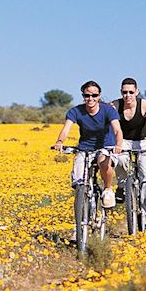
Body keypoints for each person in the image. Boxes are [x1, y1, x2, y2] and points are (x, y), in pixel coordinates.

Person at [53, 80, 123, 208]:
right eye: (87, 95)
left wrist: (118, 145)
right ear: (83, 96)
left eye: (94, 95)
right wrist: (60, 142)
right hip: (85, 148)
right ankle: (83, 201)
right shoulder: (76, 111)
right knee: (78, 178)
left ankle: (108, 189)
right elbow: (66, 129)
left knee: (103, 161)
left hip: (106, 146)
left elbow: (117, 130)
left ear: (99, 96)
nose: (91, 98)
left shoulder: (108, 110)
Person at [110, 78, 146, 229]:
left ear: (137, 92)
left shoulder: (144, 105)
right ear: (121, 92)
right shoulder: (115, 105)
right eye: (124, 92)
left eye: (131, 92)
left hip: (144, 142)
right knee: (118, 159)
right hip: (123, 141)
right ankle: (122, 186)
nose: (127, 95)